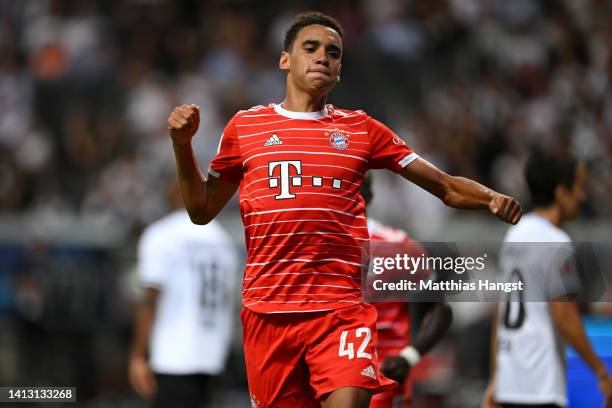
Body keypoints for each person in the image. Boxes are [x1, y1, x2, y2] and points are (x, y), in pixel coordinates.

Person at [167, 11, 522, 408]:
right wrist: (183, 147)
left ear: (339, 70)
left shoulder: (361, 130)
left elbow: (443, 185)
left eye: (333, 53)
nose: (323, 57)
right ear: (285, 59)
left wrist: (490, 197)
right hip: (269, 312)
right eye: (311, 48)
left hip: (340, 311)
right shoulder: (245, 127)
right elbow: (200, 210)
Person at [482, 152, 612, 408]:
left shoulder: (514, 235)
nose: (582, 197)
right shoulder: (556, 241)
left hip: (511, 381)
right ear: (561, 194)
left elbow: (502, 313)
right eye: (578, 188)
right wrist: (600, 370)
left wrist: (495, 379)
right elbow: (563, 313)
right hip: (539, 382)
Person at [128, 182, 238, 408]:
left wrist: (138, 355)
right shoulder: (223, 240)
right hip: (214, 355)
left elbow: (149, 299)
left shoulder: (161, 234)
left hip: (173, 355)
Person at [361, 173, 453, 408]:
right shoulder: (314, 248)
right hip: (329, 378)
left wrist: (408, 357)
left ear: (369, 196)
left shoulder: (397, 246)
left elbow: (440, 311)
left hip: (385, 379)